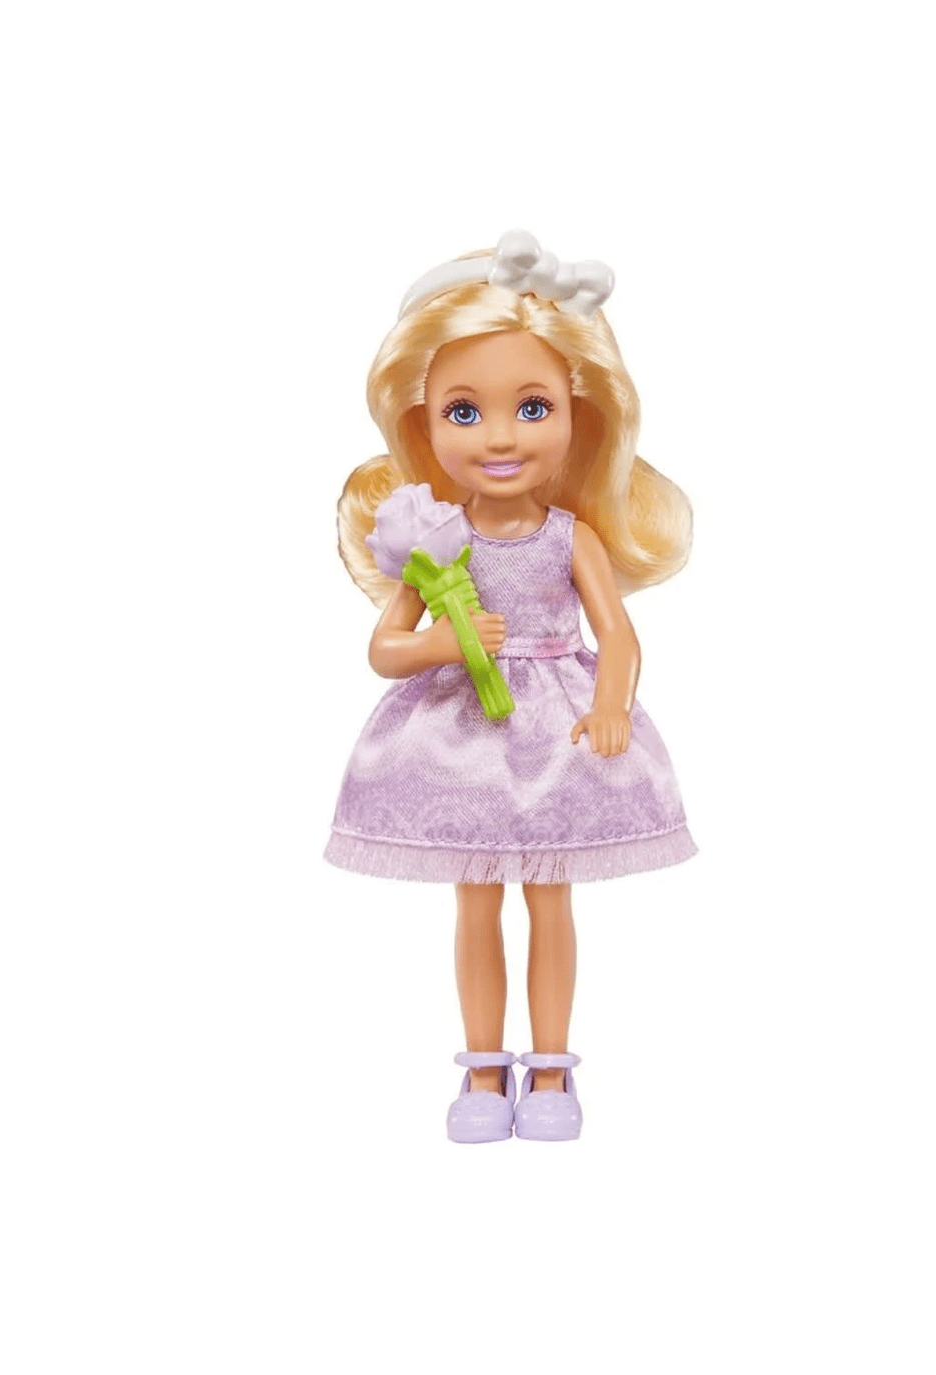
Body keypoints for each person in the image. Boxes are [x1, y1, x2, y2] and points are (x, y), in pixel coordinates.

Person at [325, 231, 696, 1142]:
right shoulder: (437, 540)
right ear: (423, 423)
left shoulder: (571, 536)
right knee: (476, 898)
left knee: (551, 896)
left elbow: (618, 634)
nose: (499, 436)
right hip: (461, 740)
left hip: (558, 735)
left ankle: (554, 1065)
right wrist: (441, 642)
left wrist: (609, 704)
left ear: (578, 413)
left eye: (533, 407)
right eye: (464, 411)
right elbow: (384, 647)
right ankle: (484, 1067)